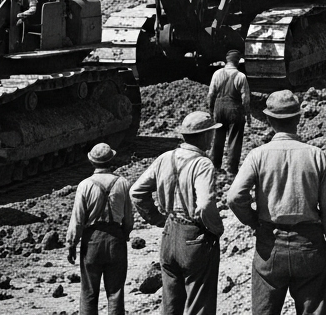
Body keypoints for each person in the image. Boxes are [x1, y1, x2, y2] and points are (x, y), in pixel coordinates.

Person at [227, 90, 326, 315]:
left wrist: (254, 221)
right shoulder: (316, 155)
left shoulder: (258, 155)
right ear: (299, 118)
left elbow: (234, 197)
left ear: (269, 120)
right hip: (309, 245)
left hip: (270, 245)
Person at [131, 113, 224, 314]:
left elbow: (136, 191)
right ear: (205, 135)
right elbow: (206, 203)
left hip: (169, 233)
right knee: (199, 303)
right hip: (194, 236)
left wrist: (156, 218)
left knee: (171, 304)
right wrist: (216, 228)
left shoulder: (165, 157)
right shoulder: (203, 164)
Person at [67, 143, 134, 315]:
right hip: (116, 240)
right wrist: (123, 235)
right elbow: (129, 219)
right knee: (116, 292)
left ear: (92, 162)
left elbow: (77, 219)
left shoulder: (84, 185)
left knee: (89, 292)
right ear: (111, 160)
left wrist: (72, 244)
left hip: (92, 242)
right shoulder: (123, 183)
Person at [206, 51, 250, 175]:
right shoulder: (241, 76)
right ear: (237, 62)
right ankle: (232, 169)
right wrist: (247, 114)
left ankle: (215, 166)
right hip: (234, 110)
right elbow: (245, 99)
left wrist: (211, 110)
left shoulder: (217, 74)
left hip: (219, 109)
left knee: (218, 138)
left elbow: (210, 95)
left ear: (227, 61)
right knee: (235, 140)